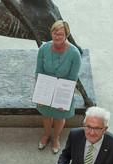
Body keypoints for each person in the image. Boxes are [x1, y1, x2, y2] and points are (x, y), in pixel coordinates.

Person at [35, 20, 82, 153]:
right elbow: (38, 70)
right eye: (55, 33)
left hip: (63, 88)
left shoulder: (74, 54)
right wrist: (39, 90)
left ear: (66, 35)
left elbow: (73, 79)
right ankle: (46, 135)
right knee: (45, 115)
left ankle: (56, 138)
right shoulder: (44, 49)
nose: (57, 37)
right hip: (46, 86)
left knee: (60, 116)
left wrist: (65, 99)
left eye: (61, 34)